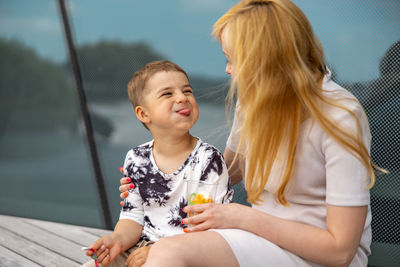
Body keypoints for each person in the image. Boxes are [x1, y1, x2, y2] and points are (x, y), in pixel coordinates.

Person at [117, 1, 384, 266]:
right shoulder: (256, 101)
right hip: (259, 241)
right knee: (136, 256)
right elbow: (225, 171)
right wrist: (155, 181)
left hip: (316, 257)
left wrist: (240, 217)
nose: (228, 69)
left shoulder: (340, 117)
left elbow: (340, 251)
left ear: (263, 59)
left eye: (232, 58)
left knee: (168, 253)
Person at [83, 60, 233, 267]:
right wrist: (116, 240)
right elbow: (133, 217)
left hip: (192, 255)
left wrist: (158, 251)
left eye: (187, 91)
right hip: (142, 248)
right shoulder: (136, 159)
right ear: (144, 114)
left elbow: (211, 229)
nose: (182, 98)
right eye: (167, 94)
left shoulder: (209, 160)